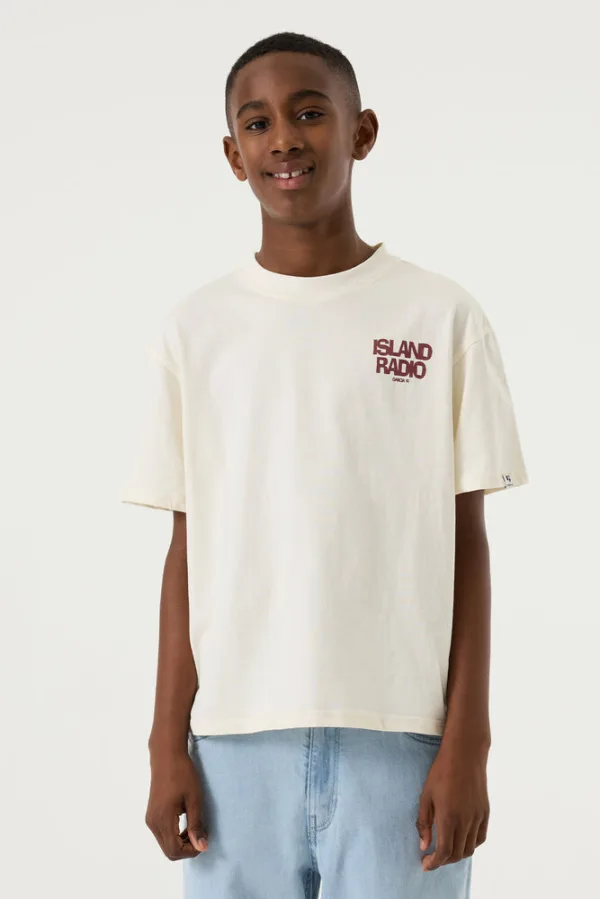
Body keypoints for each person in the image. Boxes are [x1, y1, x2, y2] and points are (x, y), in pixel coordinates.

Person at [121, 31, 529, 899]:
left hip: (402, 741)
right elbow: (186, 552)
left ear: (362, 131)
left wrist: (469, 741)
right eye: (258, 122)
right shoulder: (195, 331)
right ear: (233, 154)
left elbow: (467, 544)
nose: (285, 138)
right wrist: (165, 744)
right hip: (234, 746)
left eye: (309, 114)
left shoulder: (441, 317)